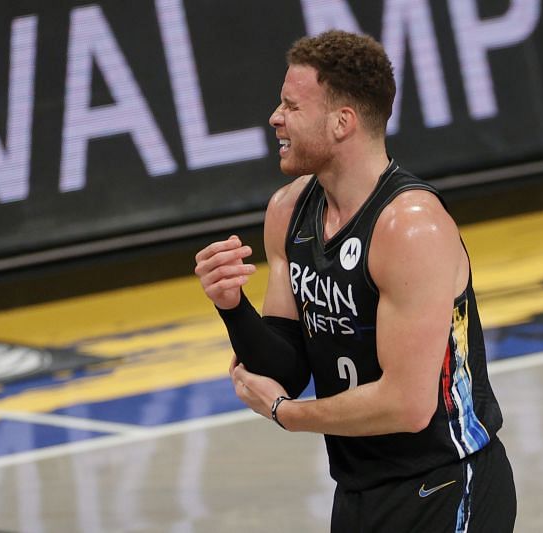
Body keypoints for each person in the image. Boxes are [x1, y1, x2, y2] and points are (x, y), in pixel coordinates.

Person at [194, 30, 516, 532]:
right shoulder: (288, 212)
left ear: (342, 122)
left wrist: (288, 415)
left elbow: (408, 406)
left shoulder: (410, 227)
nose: (275, 118)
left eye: (291, 106)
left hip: (448, 484)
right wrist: (232, 307)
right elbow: (286, 363)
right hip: (358, 491)